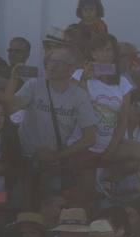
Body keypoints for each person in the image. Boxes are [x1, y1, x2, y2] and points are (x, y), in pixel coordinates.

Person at [13, 48, 98, 196]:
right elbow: (11, 108)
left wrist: (57, 156)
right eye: (49, 62)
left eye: (58, 63)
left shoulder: (79, 96)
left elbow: (90, 138)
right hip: (24, 159)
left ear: (71, 69)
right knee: (22, 205)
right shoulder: (33, 85)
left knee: (50, 206)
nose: (51, 66)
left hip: (53, 165)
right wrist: (13, 79)